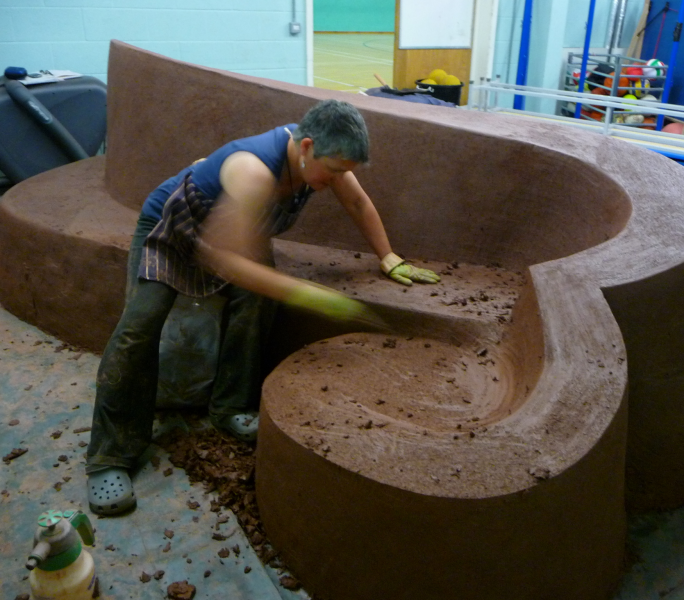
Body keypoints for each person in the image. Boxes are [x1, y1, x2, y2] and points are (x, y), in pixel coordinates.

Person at [86, 99, 440, 516]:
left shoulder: (319, 160)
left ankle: (229, 407)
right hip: (173, 231)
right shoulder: (254, 171)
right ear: (306, 146)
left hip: (235, 232)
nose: (340, 179)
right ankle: (110, 457)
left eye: (347, 172)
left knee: (255, 307)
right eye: (337, 171)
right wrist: (304, 293)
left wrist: (388, 256)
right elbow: (226, 259)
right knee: (138, 329)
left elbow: (358, 204)